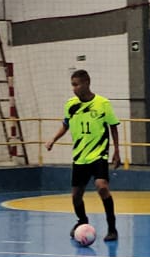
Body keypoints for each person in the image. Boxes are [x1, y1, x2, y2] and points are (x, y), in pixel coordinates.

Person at [45, 69, 122, 242]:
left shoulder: (103, 103)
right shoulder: (70, 105)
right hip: (80, 157)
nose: (74, 88)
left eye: (76, 84)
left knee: (102, 187)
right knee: (76, 195)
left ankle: (112, 228)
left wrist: (116, 150)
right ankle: (82, 220)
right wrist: (53, 140)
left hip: (99, 154)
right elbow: (65, 125)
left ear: (87, 83)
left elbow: (113, 126)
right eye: (72, 85)